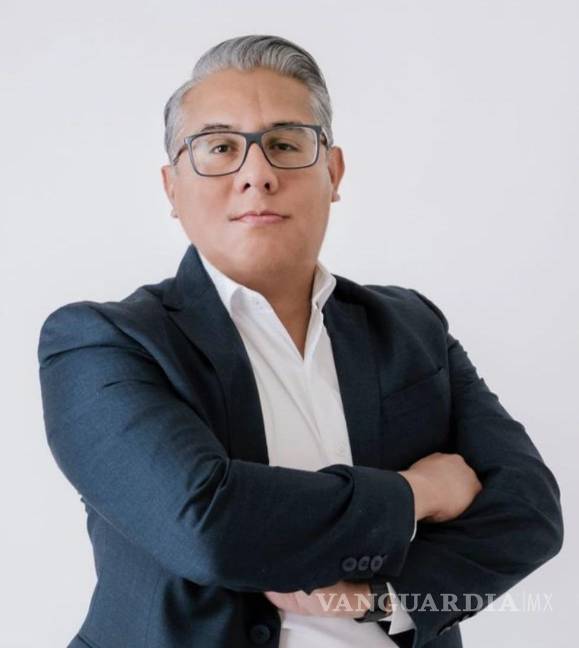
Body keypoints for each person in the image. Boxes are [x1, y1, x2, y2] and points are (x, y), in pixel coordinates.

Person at [37, 34, 563, 648]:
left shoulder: (412, 327)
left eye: (285, 145)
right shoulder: (101, 343)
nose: (256, 175)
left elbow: (530, 513)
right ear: (171, 188)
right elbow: (210, 527)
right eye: (220, 148)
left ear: (332, 173)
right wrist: (419, 492)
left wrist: (385, 599)